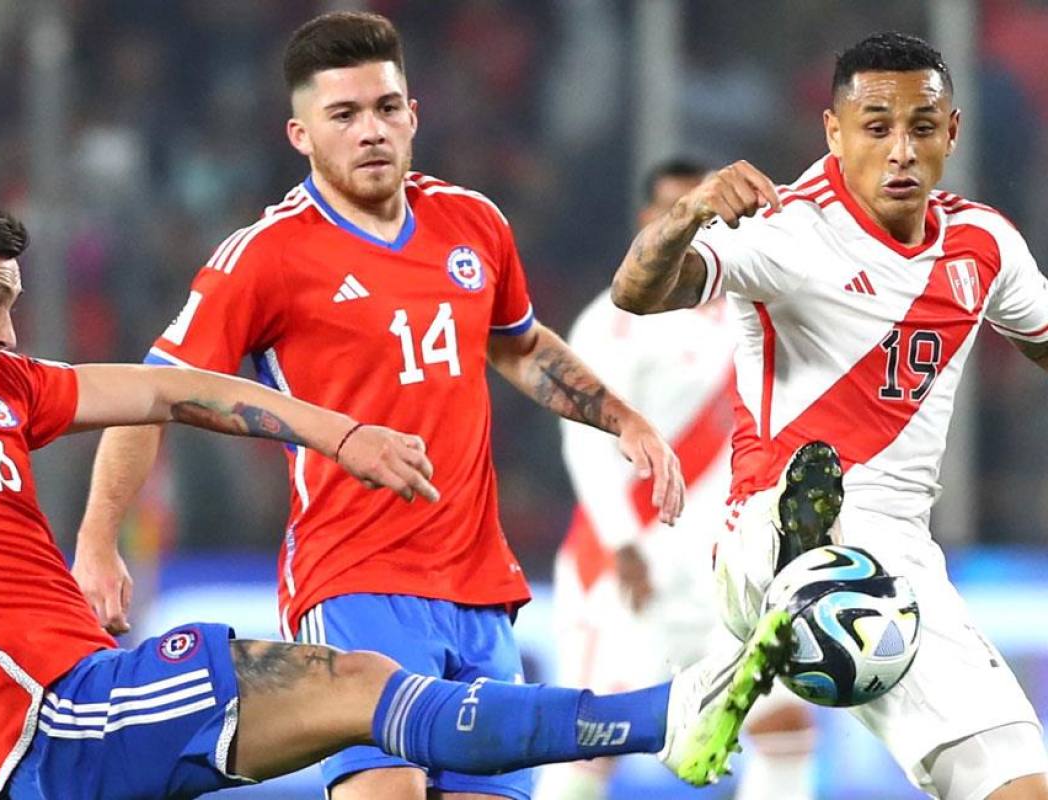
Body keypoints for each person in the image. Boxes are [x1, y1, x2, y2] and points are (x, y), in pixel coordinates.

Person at [0, 195, 794, 799]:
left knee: (370, 693)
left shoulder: (4, 390)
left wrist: (337, 433)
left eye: (12, 306)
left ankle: (665, 712)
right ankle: (666, 712)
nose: (8, 333)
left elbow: (172, 390)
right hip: (59, 716)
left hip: (83, 721)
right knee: (362, 687)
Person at [73, 13, 685, 800]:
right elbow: (152, 392)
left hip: (479, 587)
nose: (371, 130)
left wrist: (624, 419)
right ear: (300, 135)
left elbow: (520, 346)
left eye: (386, 108)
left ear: (413, 114)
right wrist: (98, 540)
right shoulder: (267, 256)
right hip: (355, 583)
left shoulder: (473, 223)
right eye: (344, 114)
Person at [611, 31, 1048, 800]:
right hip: (762, 527)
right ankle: (799, 570)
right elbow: (638, 291)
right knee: (820, 530)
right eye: (876, 127)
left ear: (952, 132)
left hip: (903, 552)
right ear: (834, 132)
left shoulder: (984, 245)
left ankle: (746, 663)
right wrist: (688, 212)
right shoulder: (788, 231)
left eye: (921, 127)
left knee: (1009, 781)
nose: (901, 151)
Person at [536, 161, 817, 800]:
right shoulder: (612, 321)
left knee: (784, 727)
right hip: (632, 566)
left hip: (725, 568)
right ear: (648, 222)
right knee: (591, 740)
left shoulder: (752, 309)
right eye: (679, 211)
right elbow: (584, 438)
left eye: (709, 214)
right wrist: (620, 543)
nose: (697, 226)